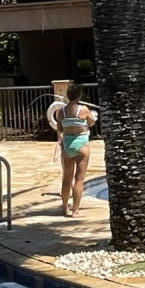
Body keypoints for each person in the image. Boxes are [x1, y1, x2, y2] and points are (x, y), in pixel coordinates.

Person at [47, 84, 98, 217]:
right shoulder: (84, 109)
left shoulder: (61, 112)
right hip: (81, 143)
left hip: (67, 144)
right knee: (79, 179)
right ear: (79, 95)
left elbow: (60, 128)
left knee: (67, 178)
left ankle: (64, 208)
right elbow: (92, 122)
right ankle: (75, 210)